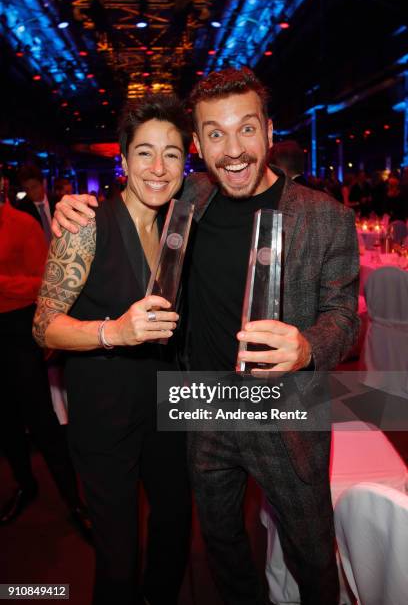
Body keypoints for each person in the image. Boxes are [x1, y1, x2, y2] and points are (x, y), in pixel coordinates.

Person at [51, 68, 359, 605]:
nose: (233, 149)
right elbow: (136, 190)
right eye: (215, 134)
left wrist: (310, 346)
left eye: (245, 129)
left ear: (268, 130)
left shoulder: (325, 218)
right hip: (206, 409)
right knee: (221, 543)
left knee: (311, 551)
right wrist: (73, 207)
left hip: (285, 412)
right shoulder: (189, 198)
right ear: (197, 144)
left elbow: (345, 316)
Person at [33, 95, 192, 605]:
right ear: (123, 161)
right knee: (119, 559)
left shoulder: (180, 226)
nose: (158, 166)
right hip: (104, 412)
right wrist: (113, 332)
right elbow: (43, 327)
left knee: (173, 531)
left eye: (171, 153)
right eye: (145, 152)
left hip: (167, 405)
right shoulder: (84, 226)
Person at [0, 174, 90, 538]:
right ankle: (25, 484)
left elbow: (42, 282)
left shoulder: (21, 223)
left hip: (18, 330)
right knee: (4, 421)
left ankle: (74, 499)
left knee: (40, 419)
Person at [16, 165, 55, 244]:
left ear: (43, 183)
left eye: (34, 187)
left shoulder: (57, 202)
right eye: (26, 189)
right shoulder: (22, 209)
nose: (30, 192)